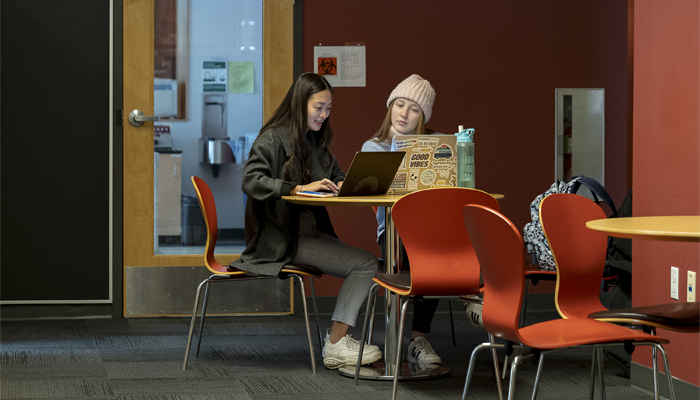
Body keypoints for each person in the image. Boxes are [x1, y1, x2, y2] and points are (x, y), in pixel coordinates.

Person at [231, 72, 382, 370]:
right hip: (283, 238)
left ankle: (338, 342)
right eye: (318, 108)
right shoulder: (273, 138)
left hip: (309, 233)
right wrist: (297, 188)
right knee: (365, 264)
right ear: (300, 105)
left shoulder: (316, 140)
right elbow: (251, 180)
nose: (324, 115)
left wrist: (344, 183)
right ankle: (337, 345)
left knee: (370, 263)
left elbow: (333, 173)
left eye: (328, 108)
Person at [361, 74, 443, 368]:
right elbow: (366, 193)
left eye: (414, 109)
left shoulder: (436, 144)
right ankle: (469, 295)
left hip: (431, 233)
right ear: (390, 107)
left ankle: (418, 340)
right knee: (432, 256)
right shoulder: (374, 147)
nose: (404, 113)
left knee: (444, 245)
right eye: (399, 105)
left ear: (423, 116)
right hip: (394, 236)